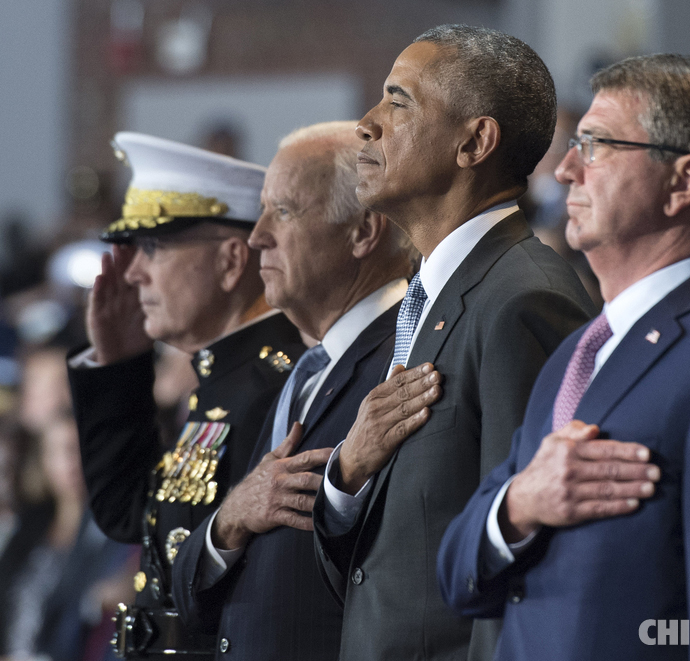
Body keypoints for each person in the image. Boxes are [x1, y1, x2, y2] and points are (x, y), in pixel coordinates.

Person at [437, 53, 690, 660]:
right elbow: (456, 572)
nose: (566, 170)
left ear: (685, 181)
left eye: (595, 145)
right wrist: (519, 505)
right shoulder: (580, 349)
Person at [311, 24, 596, 661]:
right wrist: (346, 476)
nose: (366, 123)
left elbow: (526, 550)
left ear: (474, 141)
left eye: (398, 102)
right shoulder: (431, 296)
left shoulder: (524, 299)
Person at [170, 122, 415, 660]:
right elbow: (184, 595)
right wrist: (232, 517)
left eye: (282, 211)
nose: (257, 235)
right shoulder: (306, 370)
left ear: (363, 230)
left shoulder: (407, 358)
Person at [67, 133, 305, 659]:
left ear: (230, 261)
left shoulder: (280, 387)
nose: (132, 271)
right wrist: (120, 368)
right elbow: (136, 517)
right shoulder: (222, 381)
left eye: (153, 246)